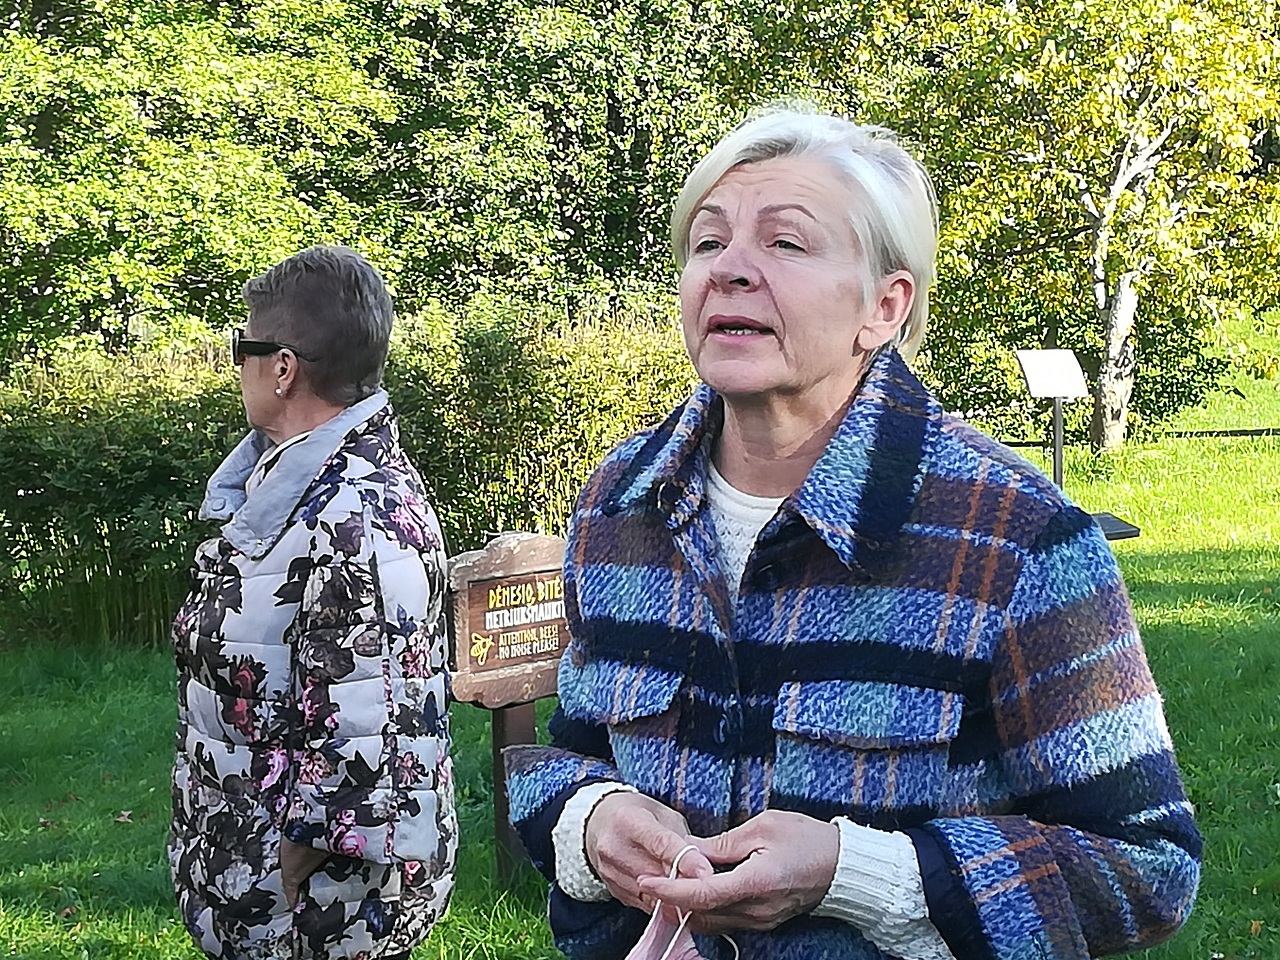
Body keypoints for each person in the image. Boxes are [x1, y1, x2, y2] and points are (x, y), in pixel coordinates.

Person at [505, 109, 1201, 960]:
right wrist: (589, 820)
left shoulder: (1016, 536)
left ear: (884, 306)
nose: (729, 269)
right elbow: (573, 751)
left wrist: (854, 873)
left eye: (785, 243)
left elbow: (1146, 867)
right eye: (708, 241)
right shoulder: (620, 504)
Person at [169, 246, 457, 960]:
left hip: (317, 912)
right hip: (261, 874)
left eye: (241, 347)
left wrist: (296, 863)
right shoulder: (292, 486)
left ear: (283, 368)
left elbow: (373, 715)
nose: (236, 365)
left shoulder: (355, 510)